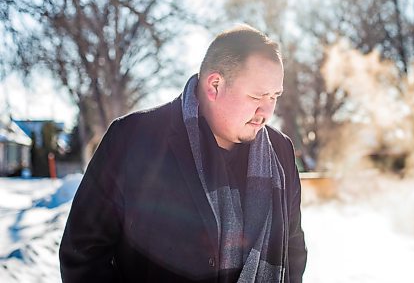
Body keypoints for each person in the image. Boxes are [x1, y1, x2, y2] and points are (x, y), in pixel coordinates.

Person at [59, 24, 307, 282]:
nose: (267, 112)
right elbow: (83, 254)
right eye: (258, 96)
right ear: (215, 84)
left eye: (274, 97)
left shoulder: (281, 152)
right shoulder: (134, 138)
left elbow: (293, 249)